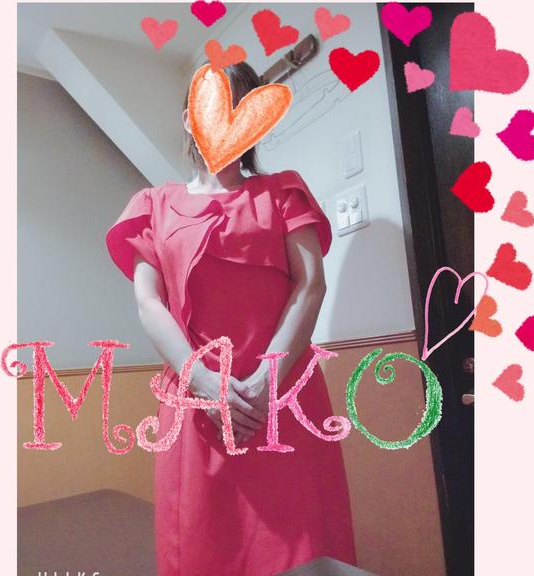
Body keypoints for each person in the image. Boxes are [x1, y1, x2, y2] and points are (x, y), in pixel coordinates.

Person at [105, 61, 357, 576]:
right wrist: (202, 382)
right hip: (194, 403)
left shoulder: (283, 192)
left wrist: (266, 381)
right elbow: (149, 303)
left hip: (281, 398)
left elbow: (310, 284)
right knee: (201, 546)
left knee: (301, 546)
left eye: (243, 109)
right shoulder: (154, 206)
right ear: (188, 118)